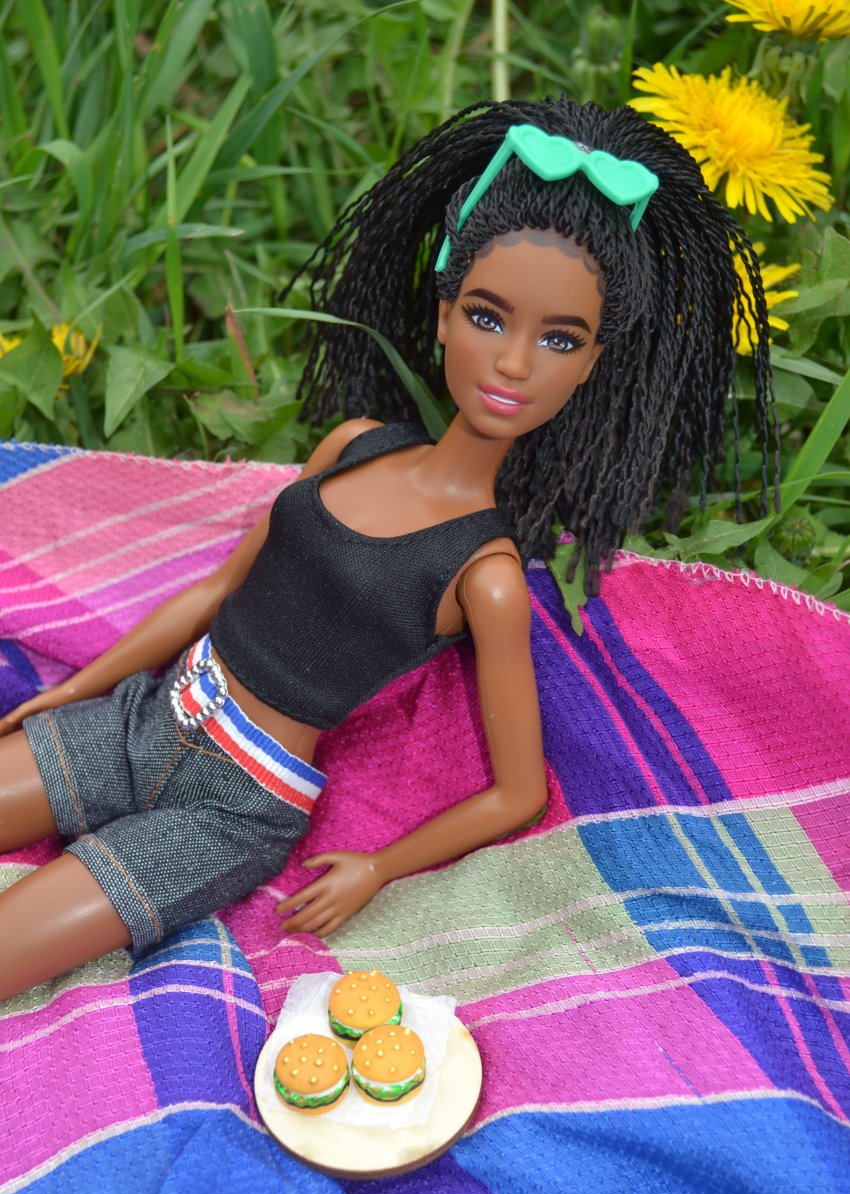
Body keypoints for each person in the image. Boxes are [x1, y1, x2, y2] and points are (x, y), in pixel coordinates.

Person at [0, 96, 776, 1000]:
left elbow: (518, 792)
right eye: (488, 317)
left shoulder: (485, 575)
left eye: (559, 339)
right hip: (150, 714)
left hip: (233, 806)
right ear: (443, 314)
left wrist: (378, 866)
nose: (515, 363)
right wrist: (76, 689)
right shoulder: (354, 445)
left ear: (592, 363)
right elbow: (217, 591)